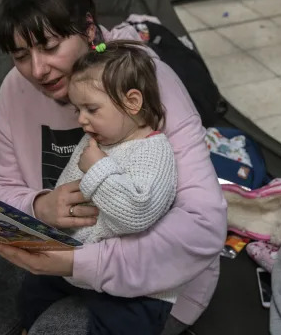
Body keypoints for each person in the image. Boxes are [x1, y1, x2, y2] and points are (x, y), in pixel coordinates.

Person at [0, 0, 227, 335]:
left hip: (152, 278)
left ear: (89, 30)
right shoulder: (14, 90)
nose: (37, 69)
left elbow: (202, 226)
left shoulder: (145, 83)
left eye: (50, 47)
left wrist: (80, 263)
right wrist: (39, 206)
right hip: (55, 248)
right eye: (20, 55)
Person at [19, 41, 178, 335]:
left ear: (132, 102)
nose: (81, 119)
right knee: (30, 289)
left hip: (133, 287)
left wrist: (97, 168)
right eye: (78, 109)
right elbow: (70, 192)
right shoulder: (98, 140)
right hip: (80, 264)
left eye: (91, 109)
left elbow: (136, 213)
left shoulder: (153, 151)